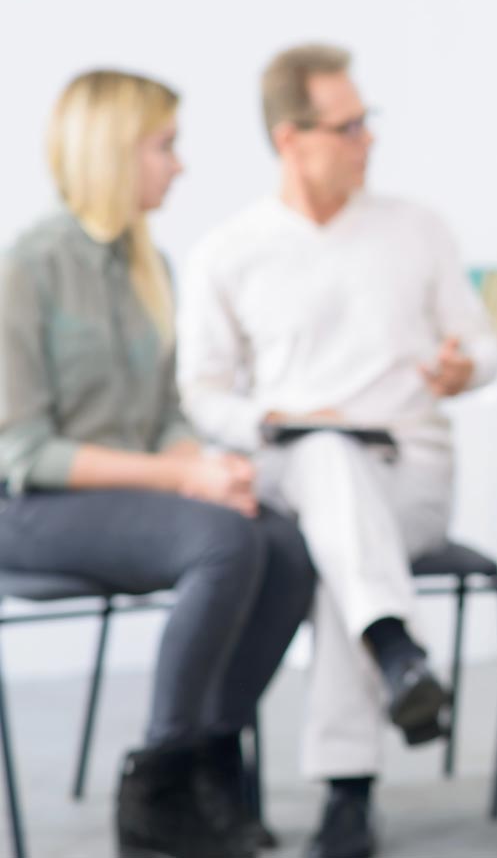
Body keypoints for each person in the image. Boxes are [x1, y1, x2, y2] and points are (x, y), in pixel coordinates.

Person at [176, 44, 497, 858]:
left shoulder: (417, 229)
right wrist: (276, 413)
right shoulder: (229, 251)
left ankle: (357, 771)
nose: (368, 139)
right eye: (348, 125)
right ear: (291, 138)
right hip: (294, 464)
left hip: (410, 473)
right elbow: (203, 392)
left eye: (367, 122)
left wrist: (466, 365)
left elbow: (485, 345)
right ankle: (387, 674)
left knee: (339, 548)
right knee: (326, 469)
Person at [0, 69, 315, 858]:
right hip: (32, 508)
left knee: (281, 539)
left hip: (131, 497)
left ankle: (211, 753)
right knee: (222, 539)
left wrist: (206, 464)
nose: (178, 165)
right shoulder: (26, 269)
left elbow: (166, 413)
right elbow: (27, 450)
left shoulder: (153, 267)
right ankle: (160, 780)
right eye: (164, 147)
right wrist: (182, 479)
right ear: (112, 154)